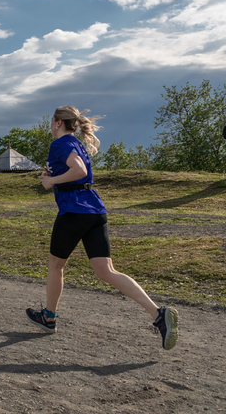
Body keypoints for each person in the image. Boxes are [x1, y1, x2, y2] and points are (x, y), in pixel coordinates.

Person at [25, 106, 179, 350]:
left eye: (51, 121)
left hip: (74, 212)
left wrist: (52, 180)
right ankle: (158, 314)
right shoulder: (76, 144)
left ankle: (48, 317)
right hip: (95, 211)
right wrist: (52, 176)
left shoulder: (61, 144)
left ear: (56, 123)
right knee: (105, 270)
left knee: (56, 265)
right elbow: (76, 172)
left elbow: (80, 171)